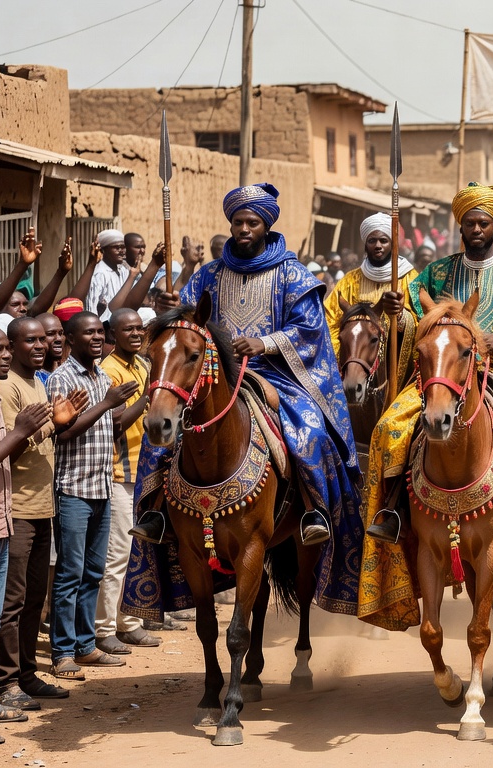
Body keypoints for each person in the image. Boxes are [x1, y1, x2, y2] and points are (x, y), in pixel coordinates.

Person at [125, 183, 363, 622]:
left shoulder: (293, 273)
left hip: (274, 372)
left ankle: (313, 512)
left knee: (308, 427)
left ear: (266, 224)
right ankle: (154, 513)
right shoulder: (209, 273)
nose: (243, 229)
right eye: (237, 222)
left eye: (252, 222)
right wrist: (174, 308)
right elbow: (188, 325)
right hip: (212, 373)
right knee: (164, 435)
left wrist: (265, 341)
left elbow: (309, 331)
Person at [361, 183, 493, 547]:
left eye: (484, 223)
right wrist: (399, 319)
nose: (476, 229)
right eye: (470, 223)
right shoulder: (436, 273)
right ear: (460, 226)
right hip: (443, 372)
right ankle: (392, 510)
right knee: (389, 427)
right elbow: (414, 321)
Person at [0, 317, 84, 711]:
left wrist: (56, 424)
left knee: (33, 598)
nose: (39, 346)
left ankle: (26, 675)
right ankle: (5, 682)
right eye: (28, 341)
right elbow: (9, 449)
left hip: (41, 506)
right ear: (11, 346)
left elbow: (40, 434)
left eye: (41, 340)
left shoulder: (38, 382)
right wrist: (45, 427)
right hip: (15, 510)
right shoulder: (5, 386)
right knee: (11, 603)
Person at [43, 311, 137, 681]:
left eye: (100, 332)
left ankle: (85, 646)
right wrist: (107, 404)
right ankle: (63, 652)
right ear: (69, 337)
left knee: (93, 572)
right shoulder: (61, 379)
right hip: (73, 490)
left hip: (101, 486)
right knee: (69, 574)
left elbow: (105, 429)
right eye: (88, 333)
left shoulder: (101, 377)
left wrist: (118, 410)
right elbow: (61, 435)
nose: (97, 338)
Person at [91, 309, 158, 656]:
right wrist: (149, 396)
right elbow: (114, 423)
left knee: (136, 552)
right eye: (127, 329)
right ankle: (104, 630)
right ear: (112, 334)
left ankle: (129, 623)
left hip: (145, 470)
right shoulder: (108, 370)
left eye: (139, 328)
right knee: (116, 555)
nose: (135, 333)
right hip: (120, 473)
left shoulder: (144, 367)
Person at [323, 212, 417, 382]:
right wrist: (347, 356)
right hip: (355, 364)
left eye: (384, 240)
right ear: (365, 245)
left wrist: (402, 317)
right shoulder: (349, 281)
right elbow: (330, 324)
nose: (378, 245)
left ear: (393, 244)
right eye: (372, 241)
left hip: (396, 369)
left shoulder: (410, 278)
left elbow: (423, 321)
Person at [86, 230, 131, 319]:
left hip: (122, 318)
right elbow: (91, 307)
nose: (121, 251)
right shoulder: (99, 273)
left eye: (123, 247)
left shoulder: (123, 270)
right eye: (117, 248)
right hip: (105, 323)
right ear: (103, 250)